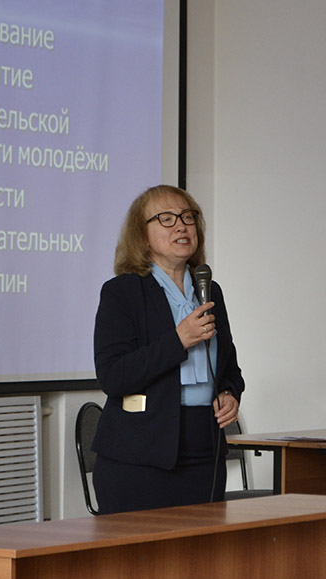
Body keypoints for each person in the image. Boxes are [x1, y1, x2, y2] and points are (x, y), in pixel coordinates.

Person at [91, 184, 245, 513]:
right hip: (140, 457)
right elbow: (113, 376)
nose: (181, 226)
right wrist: (178, 340)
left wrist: (230, 393)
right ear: (142, 237)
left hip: (205, 453)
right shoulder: (122, 292)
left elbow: (229, 367)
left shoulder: (209, 290)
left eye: (188, 217)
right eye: (166, 218)